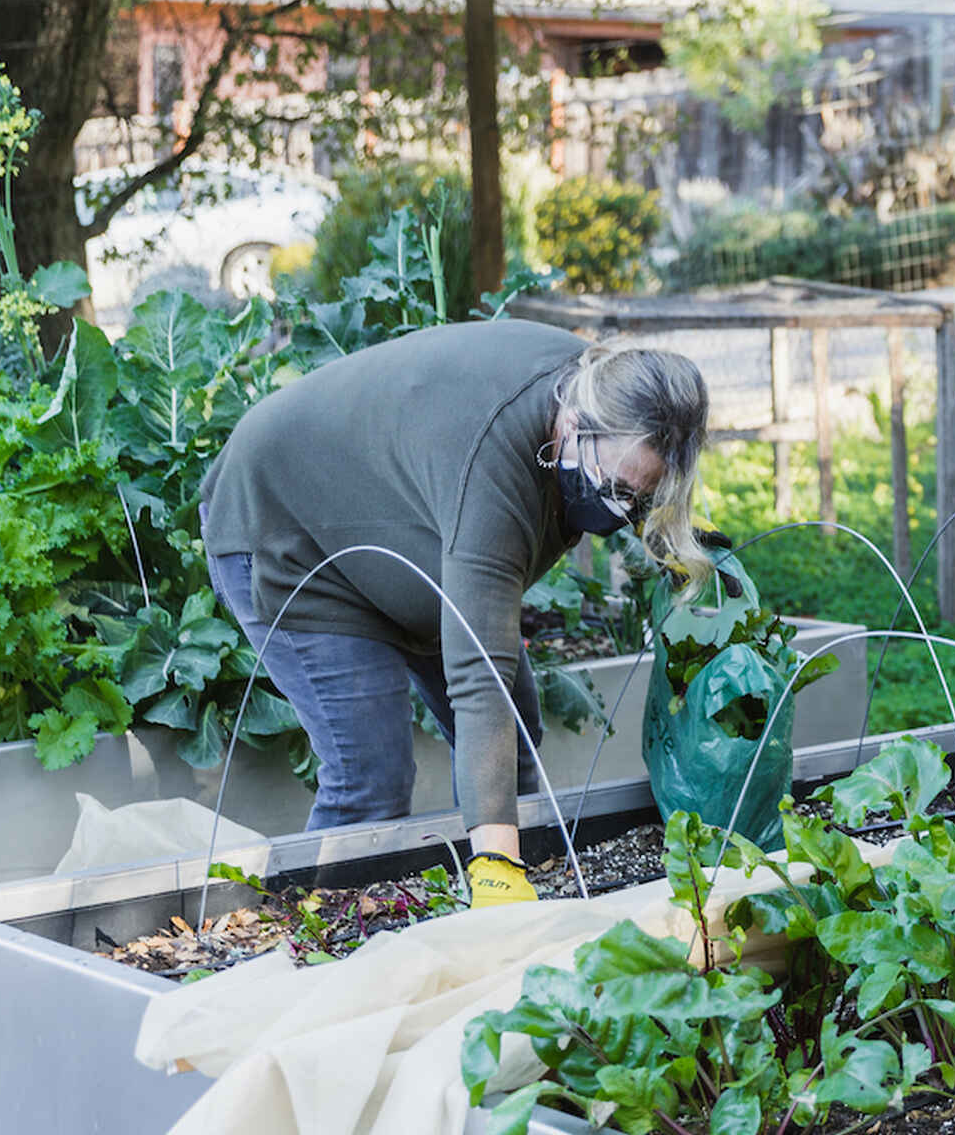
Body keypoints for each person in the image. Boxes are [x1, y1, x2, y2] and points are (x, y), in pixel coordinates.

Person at [199, 321, 711, 907]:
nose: (619, 507)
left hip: (399, 526)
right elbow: (480, 676)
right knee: (371, 774)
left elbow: (632, 476)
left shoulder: (617, 397)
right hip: (286, 527)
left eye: (639, 497)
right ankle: (313, 941)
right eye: (612, 484)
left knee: (514, 743)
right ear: (573, 424)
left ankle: (506, 880)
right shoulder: (496, 459)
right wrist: (493, 865)